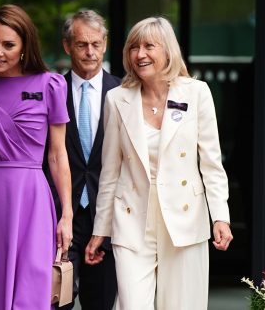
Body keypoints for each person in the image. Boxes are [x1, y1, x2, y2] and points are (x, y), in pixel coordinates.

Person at [85, 16, 233, 309]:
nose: (140, 54)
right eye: (134, 47)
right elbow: (110, 172)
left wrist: (221, 216)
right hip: (131, 220)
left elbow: (212, 165)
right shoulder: (117, 99)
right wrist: (100, 230)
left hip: (184, 218)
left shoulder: (196, 93)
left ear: (167, 51)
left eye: (149, 46)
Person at [0, 4, 73, 310]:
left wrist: (67, 214)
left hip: (32, 200)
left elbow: (58, 155)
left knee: (30, 291)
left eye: (8, 45)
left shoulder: (50, 85)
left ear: (24, 47)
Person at [43, 9, 120, 310]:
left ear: (105, 44)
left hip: (108, 217)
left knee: (100, 302)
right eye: (81, 44)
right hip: (60, 216)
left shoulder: (124, 93)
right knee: (54, 301)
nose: (90, 52)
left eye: (96, 44)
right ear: (67, 46)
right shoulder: (52, 91)